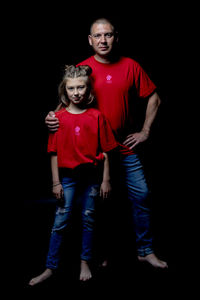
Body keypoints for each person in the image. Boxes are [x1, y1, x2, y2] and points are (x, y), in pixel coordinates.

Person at [45, 18, 168, 269]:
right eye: (98, 36)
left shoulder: (130, 65)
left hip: (123, 146)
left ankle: (145, 250)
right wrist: (51, 117)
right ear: (90, 40)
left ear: (115, 37)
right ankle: (101, 253)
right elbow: (66, 100)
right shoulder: (83, 68)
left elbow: (154, 97)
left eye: (108, 35)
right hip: (95, 152)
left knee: (141, 194)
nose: (103, 40)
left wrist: (145, 131)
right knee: (99, 202)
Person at [28, 65, 118, 286]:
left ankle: (85, 261)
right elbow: (53, 153)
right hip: (67, 177)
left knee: (89, 219)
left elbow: (106, 152)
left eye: (81, 87)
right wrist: (56, 182)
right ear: (64, 90)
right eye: (72, 88)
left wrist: (106, 180)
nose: (76, 92)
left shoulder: (97, 116)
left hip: (92, 176)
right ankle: (50, 267)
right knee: (61, 221)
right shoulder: (57, 118)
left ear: (88, 90)